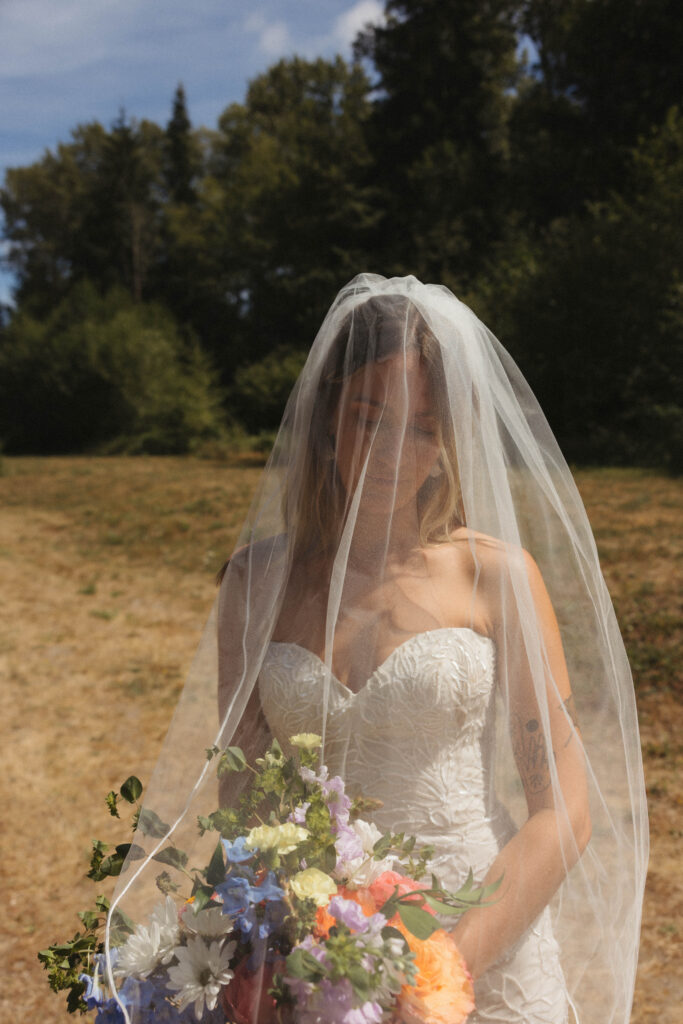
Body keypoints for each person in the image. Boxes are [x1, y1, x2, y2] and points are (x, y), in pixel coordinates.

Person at [108, 274, 648, 1024]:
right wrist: (261, 952)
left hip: (479, 937)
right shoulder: (254, 581)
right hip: (316, 952)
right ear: (327, 419)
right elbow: (243, 796)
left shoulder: (494, 577)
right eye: (371, 418)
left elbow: (566, 809)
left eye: (425, 427)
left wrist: (446, 968)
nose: (398, 450)